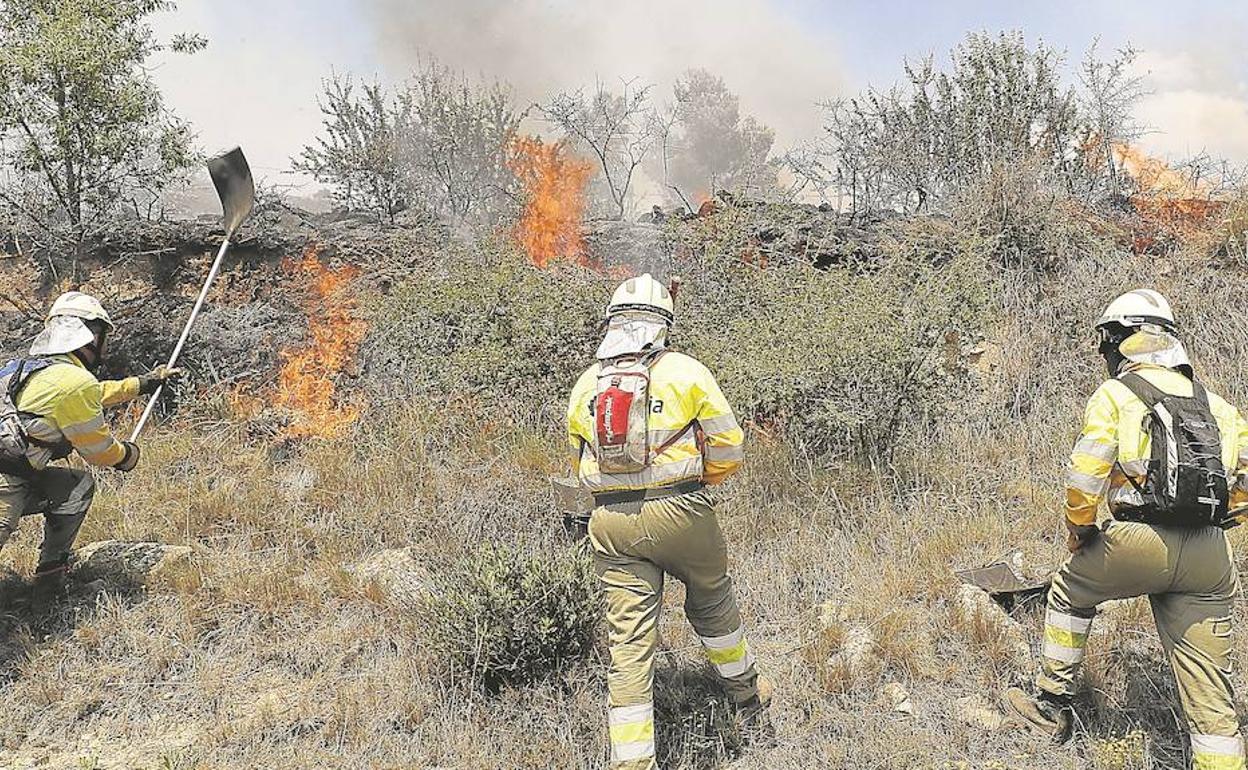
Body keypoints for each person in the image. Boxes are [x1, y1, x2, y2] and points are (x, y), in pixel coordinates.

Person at [1005, 289, 1248, 770]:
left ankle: (1051, 704)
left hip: (1136, 541)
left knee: (1068, 594)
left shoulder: (1116, 394)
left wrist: (1080, 529)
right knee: (1209, 692)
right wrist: (1216, 523)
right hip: (1209, 555)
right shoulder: (1218, 406)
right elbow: (1243, 488)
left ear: (1123, 341)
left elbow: (1085, 475)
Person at [566, 273, 771, 770]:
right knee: (712, 600)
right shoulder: (685, 371)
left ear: (613, 323)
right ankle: (747, 700)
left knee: (630, 645)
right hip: (680, 511)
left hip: (611, 522)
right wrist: (704, 479)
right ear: (663, 323)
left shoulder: (586, 384)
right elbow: (730, 447)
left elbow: (579, 462)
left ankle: (633, 762)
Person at [0, 291, 180, 596]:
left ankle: (49, 581)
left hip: (15, 476)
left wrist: (143, 384)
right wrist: (127, 456)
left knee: (75, 486)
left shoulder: (19, 369)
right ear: (91, 336)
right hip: (5, 486)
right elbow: (98, 450)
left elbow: (92, 393)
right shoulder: (72, 382)